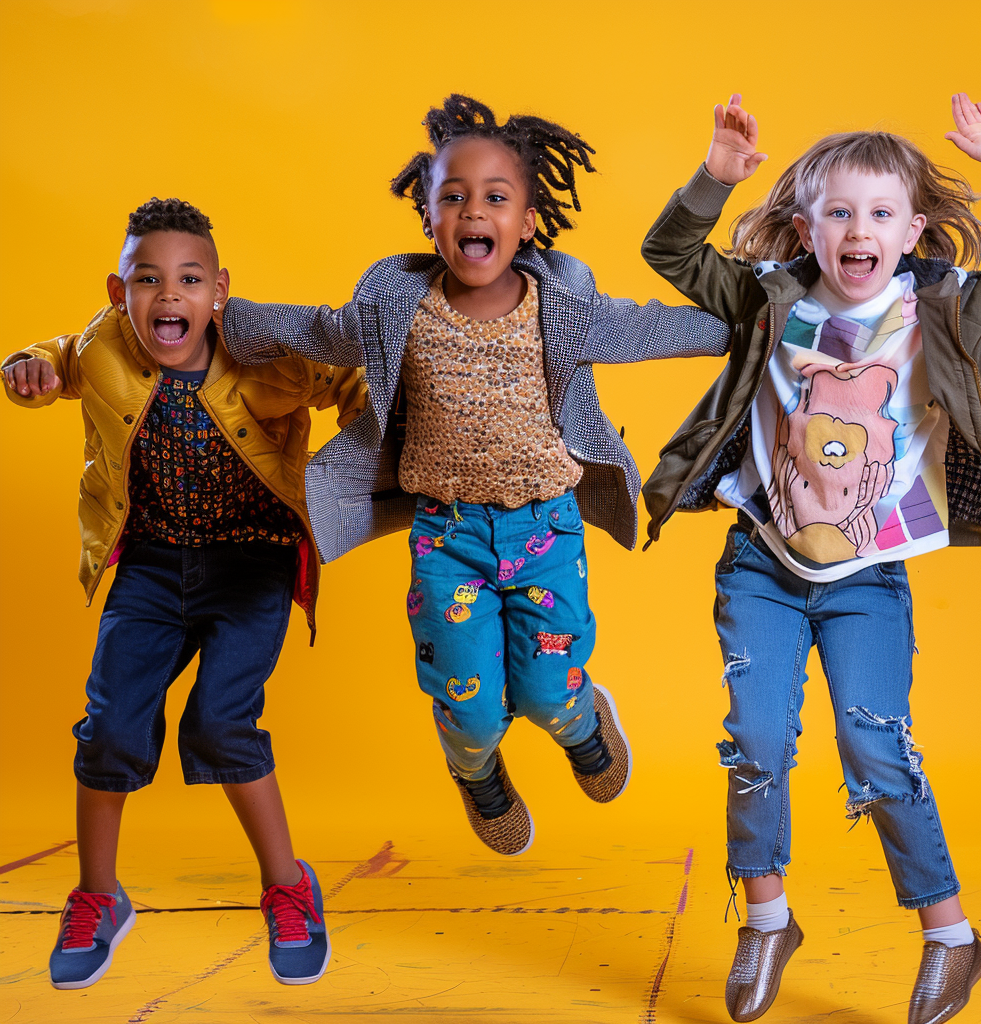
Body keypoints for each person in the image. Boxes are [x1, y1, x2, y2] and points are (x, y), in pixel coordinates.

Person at [217, 94, 731, 857]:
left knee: (549, 692)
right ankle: (477, 774)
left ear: (526, 222)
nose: (472, 211)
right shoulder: (397, 306)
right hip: (446, 536)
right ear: (428, 219)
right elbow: (316, 327)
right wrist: (225, 316)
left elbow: (651, 326)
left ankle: (583, 723)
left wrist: (752, 323)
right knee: (473, 709)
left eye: (495, 197)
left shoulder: (562, 305)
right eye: (452, 197)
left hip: (544, 527)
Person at [640, 93, 981, 1023]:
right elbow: (671, 256)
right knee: (757, 741)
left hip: (869, 578)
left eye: (881, 213)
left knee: (874, 748)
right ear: (806, 231)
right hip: (761, 563)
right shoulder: (769, 295)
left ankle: (951, 940)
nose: (860, 231)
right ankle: (767, 920)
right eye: (839, 213)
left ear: (914, 229)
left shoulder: (947, 306)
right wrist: (715, 177)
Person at [3, 198, 365, 989]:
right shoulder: (102, 346)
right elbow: (58, 358)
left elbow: (347, 378)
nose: (169, 296)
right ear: (117, 291)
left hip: (254, 563)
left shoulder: (266, 354)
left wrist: (387, 443)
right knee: (109, 731)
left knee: (221, 721)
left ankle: (287, 885)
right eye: (148, 279)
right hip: (152, 566)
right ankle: (99, 895)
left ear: (220, 291)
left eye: (189, 280)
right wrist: (24, 368)